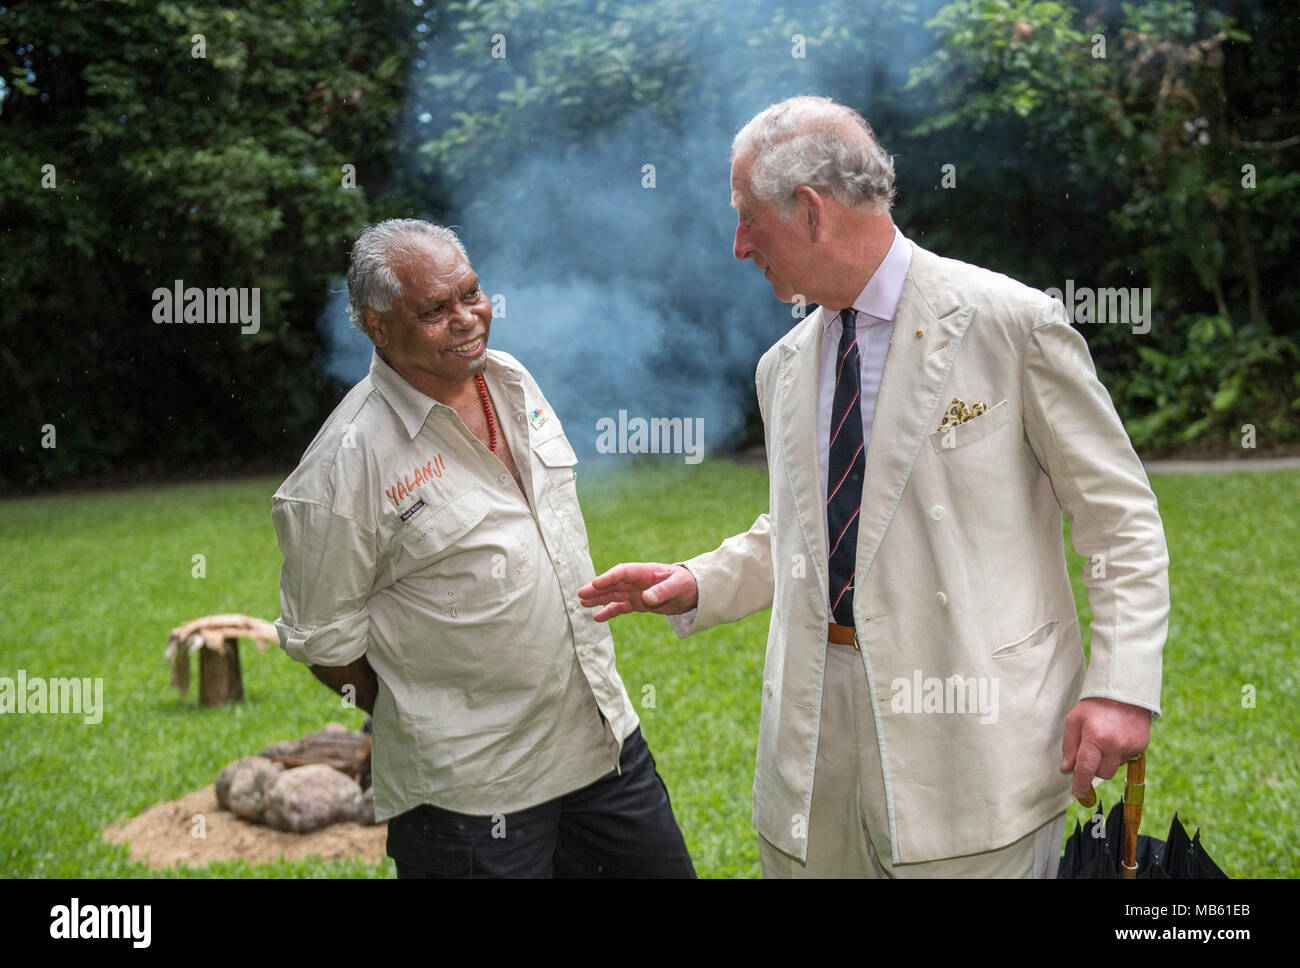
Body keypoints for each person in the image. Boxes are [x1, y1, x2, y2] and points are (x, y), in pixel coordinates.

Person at [579, 96, 1169, 877]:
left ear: (812, 212)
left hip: (976, 741)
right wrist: (696, 582)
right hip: (815, 745)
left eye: (749, 218)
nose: (738, 244)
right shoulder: (782, 366)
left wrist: (1123, 688)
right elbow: (809, 526)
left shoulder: (1010, 323)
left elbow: (1119, 520)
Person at [270, 218, 694, 878]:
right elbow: (323, 641)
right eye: (435, 310)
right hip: (468, 795)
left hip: (600, 742)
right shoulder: (345, 465)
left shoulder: (512, 380)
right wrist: (432, 714)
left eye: (471, 293)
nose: (467, 319)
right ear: (378, 325)